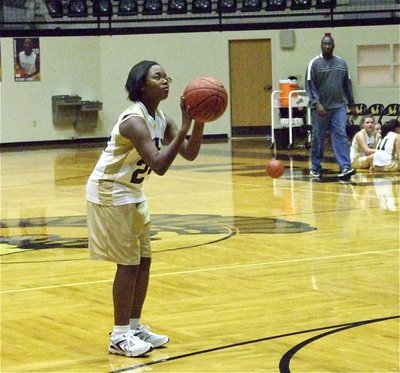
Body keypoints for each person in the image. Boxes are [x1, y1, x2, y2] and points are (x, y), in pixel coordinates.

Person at [86, 60, 205, 357]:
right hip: (109, 192)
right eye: (158, 77)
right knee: (127, 265)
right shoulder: (133, 121)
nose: (166, 81)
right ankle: (119, 335)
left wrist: (200, 119)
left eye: (167, 76)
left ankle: (134, 327)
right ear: (141, 85)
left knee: (144, 261)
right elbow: (159, 164)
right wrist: (186, 125)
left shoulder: (161, 118)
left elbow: (189, 152)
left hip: (132, 192)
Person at [305, 34, 357, 181]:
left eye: (330, 44)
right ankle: (315, 167)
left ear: (334, 46)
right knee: (318, 138)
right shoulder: (314, 64)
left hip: (339, 106)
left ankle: (345, 167)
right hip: (320, 109)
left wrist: (352, 104)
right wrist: (317, 103)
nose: (327, 46)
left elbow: (348, 85)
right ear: (321, 46)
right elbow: (310, 86)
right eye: (325, 44)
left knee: (340, 134)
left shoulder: (341, 63)